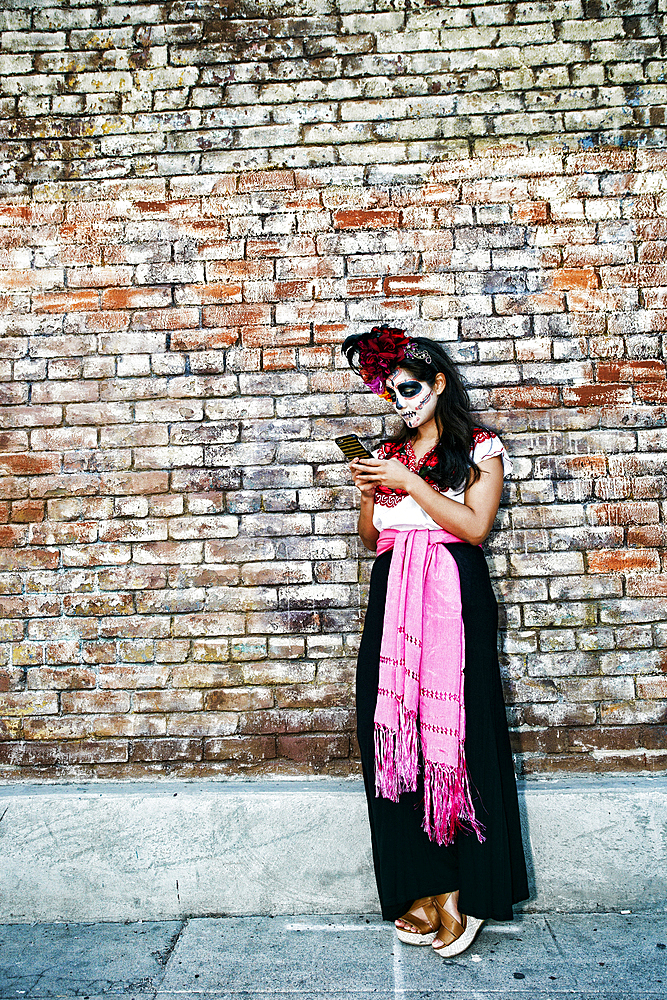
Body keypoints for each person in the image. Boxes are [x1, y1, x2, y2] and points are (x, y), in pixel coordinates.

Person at [342, 326, 529, 958]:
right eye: (391, 392)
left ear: (439, 383)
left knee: (462, 735)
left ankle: (464, 893)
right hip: (393, 597)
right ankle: (419, 885)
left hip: (454, 594)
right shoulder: (392, 450)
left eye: (411, 389)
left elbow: (475, 527)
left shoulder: (479, 446)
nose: (400, 401)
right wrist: (370, 495)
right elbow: (374, 539)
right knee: (392, 734)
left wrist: (415, 486)